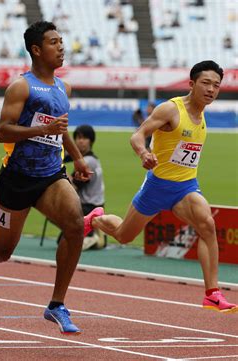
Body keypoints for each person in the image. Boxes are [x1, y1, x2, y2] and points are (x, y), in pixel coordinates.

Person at [0, 21, 92, 334]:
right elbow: (2, 130)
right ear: (37, 50)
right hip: (17, 178)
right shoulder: (21, 87)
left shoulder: (63, 88)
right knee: (2, 251)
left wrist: (78, 159)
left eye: (62, 41)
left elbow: (61, 128)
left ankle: (56, 304)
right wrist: (41, 130)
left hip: (52, 174)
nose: (62, 47)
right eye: (54, 42)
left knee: (75, 226)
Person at [85, 60, 237, 313]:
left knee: (207, 225)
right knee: (124, 235)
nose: (211, 90)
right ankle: (97, 219)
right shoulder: (171, 110)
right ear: (191, 84)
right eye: (206, 83)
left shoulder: (201, 115)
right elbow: (137, 135)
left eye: (216, 85)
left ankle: (212, 293)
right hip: (157, 187)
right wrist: (144, 154)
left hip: (186, 187)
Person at [61, 125, 105, 250]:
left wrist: (61, 171)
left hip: (88, 206)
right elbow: (66, 157)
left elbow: (74, 187)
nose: (80, 141)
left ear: (91, 141)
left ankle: (91, 235)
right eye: (78, 138)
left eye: (85, 138)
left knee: (65, 241)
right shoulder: (91, 158)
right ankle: (94, 233)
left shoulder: (87, 162)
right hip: (97, 205)